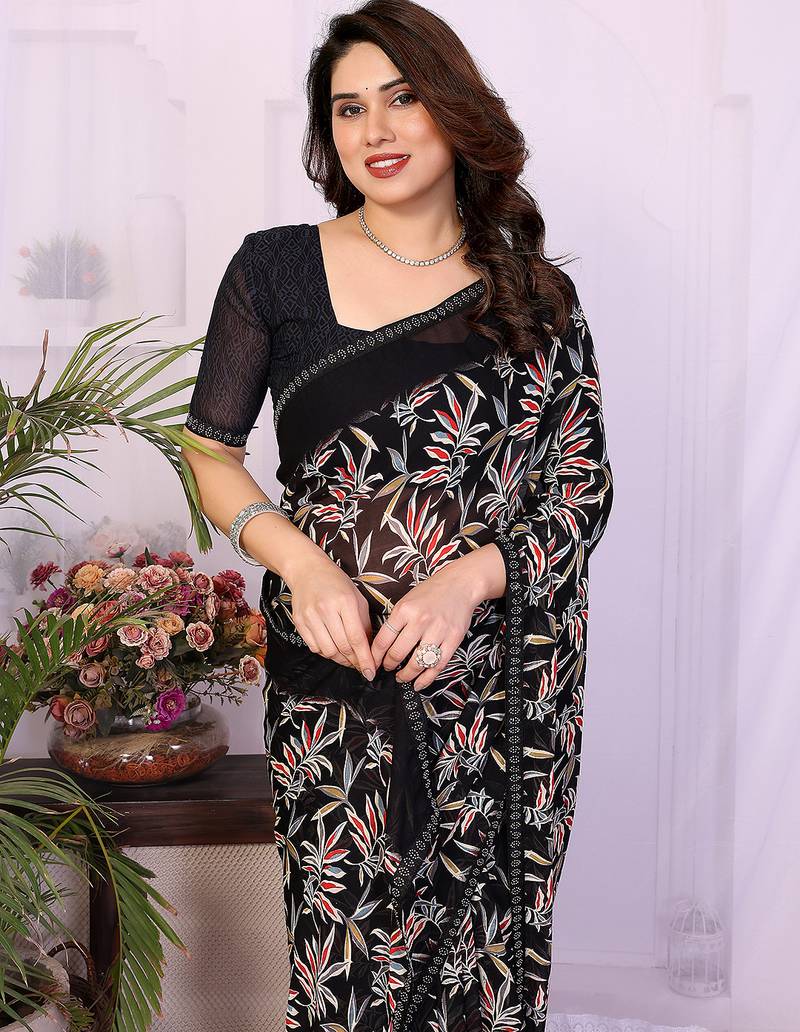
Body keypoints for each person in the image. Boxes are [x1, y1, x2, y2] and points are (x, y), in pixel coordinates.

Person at [181, 2, 614, 1029]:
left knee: (483, 969)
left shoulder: (534, 296)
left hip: (497, 689)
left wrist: (465, 581)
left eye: (401, 98)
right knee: (344, 955)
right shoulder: (275, 271)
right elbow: (209, 455)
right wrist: (305, 568)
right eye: (347, 109)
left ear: (452, 109)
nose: (373, 130)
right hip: (339, 679)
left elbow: (580, 490)